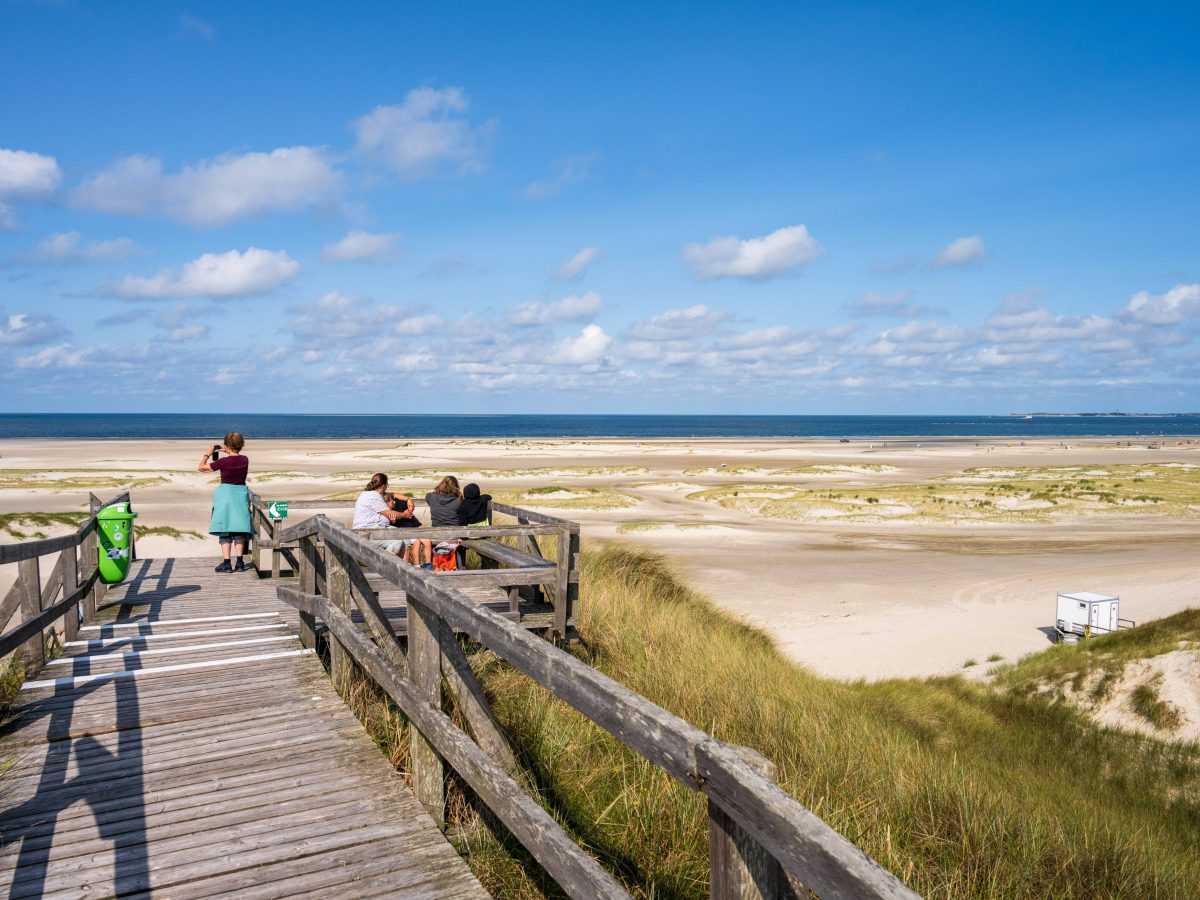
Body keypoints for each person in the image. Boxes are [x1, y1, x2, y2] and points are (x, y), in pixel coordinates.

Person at [199, 432, 252, 573]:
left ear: (227, 445)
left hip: (226, 495)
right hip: (240, 495)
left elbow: (201, 468)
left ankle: (227, 563)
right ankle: (240, 563)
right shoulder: (245, 460)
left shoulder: (223, 462)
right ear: (241, 445)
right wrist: (228, 450)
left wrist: (207, 454)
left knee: (225, 528)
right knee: (239, 527)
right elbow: (235, 458)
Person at [353, 473, 415, 560]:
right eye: (387, 485)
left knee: (405, 539)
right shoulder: (373, 496)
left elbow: (393, 495)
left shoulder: (371, 494)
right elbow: (389, 513)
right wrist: (405, 515)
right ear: (383, 486)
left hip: (377, 528)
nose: (387, 487)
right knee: (397, 542)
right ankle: (388, 566)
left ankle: (403, 568)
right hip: (368, 530)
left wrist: (408, 499)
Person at [385, 491, 432, 566]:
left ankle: (428, 564)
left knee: (427, 540)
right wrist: (393, 522)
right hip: (403, 533)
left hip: (413, 530)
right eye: (390, 501)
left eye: (392, 500)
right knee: (416, 542)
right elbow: (393, 527)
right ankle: (417, 565)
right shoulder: (387, 512)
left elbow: (413, 519)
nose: (392, 502)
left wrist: (420, 526)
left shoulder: (402, 504)